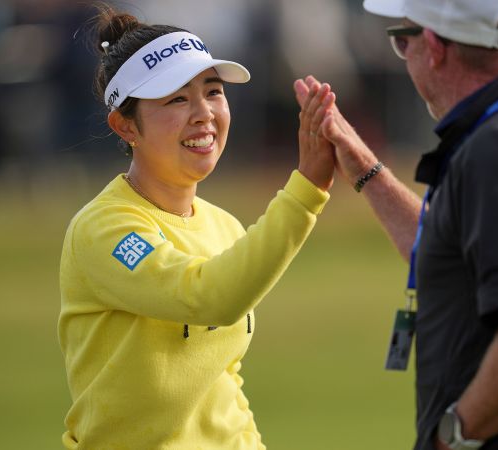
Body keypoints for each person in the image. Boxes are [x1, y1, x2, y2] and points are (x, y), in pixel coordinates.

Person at [296, 0, 498, 449]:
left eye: (403, 39)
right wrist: (365, 170)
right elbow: (454, 256)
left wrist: (455, 435)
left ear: (433, 47)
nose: (404, 53)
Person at [57, 6, 336, 449]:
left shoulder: (224, 226)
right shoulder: (102, 229)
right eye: (176, 98)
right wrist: (307, 190)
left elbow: (224, 386)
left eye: (213, 92)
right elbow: (208, 297)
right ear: (125, 124)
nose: (204, 113)